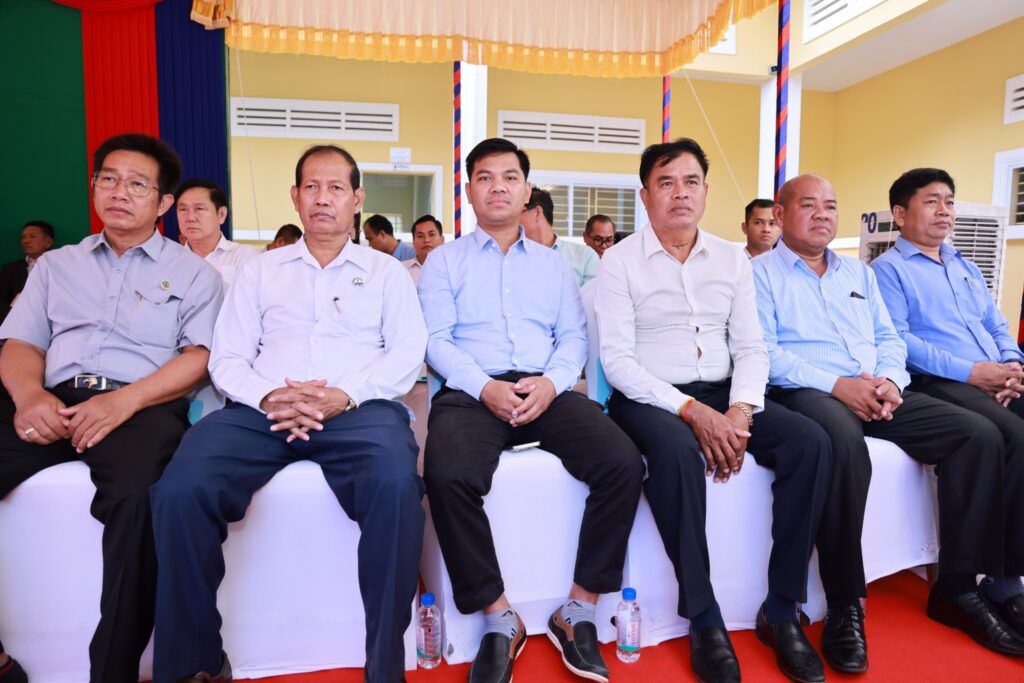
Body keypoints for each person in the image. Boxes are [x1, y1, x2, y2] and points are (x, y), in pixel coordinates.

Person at [150, 144, 427, 683]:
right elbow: (228, 357)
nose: (323, 198)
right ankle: (195, 665)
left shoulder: (386, 273)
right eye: (312, 187)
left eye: (336, 188)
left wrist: (343, 394)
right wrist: (270, 396)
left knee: (396, 487)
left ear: (357, 199)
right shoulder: (260, 271)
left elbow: (406, 353)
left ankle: (384, 667)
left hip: (357, 410)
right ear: (295, 197)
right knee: (179, 490)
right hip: (262, 409)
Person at [753, 173, 1024, 672]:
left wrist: (892, 383)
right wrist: (839, 386)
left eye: (830, 205)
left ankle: (957, 587)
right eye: (808, 205)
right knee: (843, 444)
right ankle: (845, 604)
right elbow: (766, 353)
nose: (822, 214)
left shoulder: (858, 274)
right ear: (781, 213)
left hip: (878, 386)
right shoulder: (759, 274)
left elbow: (889, 338)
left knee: (977, 434)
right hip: (808, 390)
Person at [596, 139, 832, 683]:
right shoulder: (618, 262)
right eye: (666, 183)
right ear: (645, 196)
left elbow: (751, 346)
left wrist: (740, 410)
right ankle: (703, 616)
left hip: (726, 391)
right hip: (650, 395)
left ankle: (782, 607)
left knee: (810, 441)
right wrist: (692, 412)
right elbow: (618, 362)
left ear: (705, 191)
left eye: (691, 182)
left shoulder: (732, 259)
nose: (680, 193)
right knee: (678, 454)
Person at [0, 133, 223, 683]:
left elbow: (200, 358)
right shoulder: (55, 266)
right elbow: (22, 343)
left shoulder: (196, 274)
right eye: (109, 179)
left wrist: (125, 401)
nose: (120, 192)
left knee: (141, 501)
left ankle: (113, 671)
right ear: (94, 187)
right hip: (52, 397)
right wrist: (29, 396)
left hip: (142, 403)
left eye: (138, 184)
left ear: (163, 202)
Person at [419, 138, 644, 683]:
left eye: (510, 177)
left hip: (546, 387)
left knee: (622, 462)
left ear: (526, 191)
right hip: (471, 390)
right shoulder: (443, 261)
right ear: (468, 190)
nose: (497, 186)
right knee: (447, 475)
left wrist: (551, 383)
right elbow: (435, 340)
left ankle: (578, 609)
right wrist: (484, 387)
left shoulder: (553, 265)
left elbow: (573, 338)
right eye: (485, 177)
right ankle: (499, 617)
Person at [871, 167, 1024, 638]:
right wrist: (973, 372)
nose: (945, 210)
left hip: (992, 375)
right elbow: (901, 342)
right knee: (1010, 434)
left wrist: (1012, 365)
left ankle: (1007, 569)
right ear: (900, 214)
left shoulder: (965, 266)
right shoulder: (887, 271)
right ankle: (998, 580)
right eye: (932, 201)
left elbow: (996, 324)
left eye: (950, 201)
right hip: (937, 381)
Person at [176, 178, 260, 290]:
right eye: (183, 209)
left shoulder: (244, 255)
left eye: (199, 209)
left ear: (221, 214)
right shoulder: (170, 260)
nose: (190, 218)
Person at [519, 188, 598, 287]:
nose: (509, 219)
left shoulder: (585, 256)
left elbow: (594, 295)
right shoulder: (511, 257)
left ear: (537, 213)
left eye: (516, 213)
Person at [0, 221, 54, 323]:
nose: (26, 241)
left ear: (48, 242)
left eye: (32, 236)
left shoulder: (59, 267)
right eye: (23, 237)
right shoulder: (10, 269)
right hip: (15, 322)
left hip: (51, 321)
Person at [404, 214, 444, 285]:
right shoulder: (402, 269)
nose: (426, 240)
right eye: (420, 236)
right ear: (413, 242)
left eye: (431, 235)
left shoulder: (454, 268)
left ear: (442, 239)